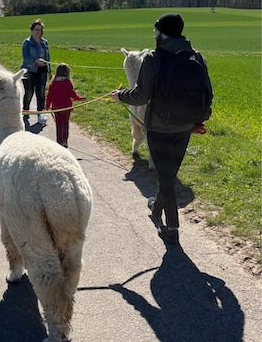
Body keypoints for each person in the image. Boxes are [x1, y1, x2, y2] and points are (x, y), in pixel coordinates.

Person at [110, 13, 213, 245]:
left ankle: (173, 229)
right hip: (185, 127)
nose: (154, 35)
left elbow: (141, 95)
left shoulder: (154, 59)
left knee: (166, 178)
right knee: (168, 174)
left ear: (163, 33)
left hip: (158, 128)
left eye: (156, 31)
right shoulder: (197, 57)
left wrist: (120, 97)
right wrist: (197, 121)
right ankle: (156, 211)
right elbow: (207, 93)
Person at [46, 63, 85, 147]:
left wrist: (47, 106)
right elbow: (73, 95)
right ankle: (64, 141)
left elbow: (49, 96)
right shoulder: (68, 83)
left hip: (57, 108)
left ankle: (59, 142)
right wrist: (81, 98)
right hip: (67, 107)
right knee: (65, 124)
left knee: (59, 125)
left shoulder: (53, 84)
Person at [21, 19, 51, 125]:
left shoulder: (45, 43)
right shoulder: (27, 42)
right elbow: (25, 57)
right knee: (29, 93)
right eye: (36, 29)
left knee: (41, 93)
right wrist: (35, 61)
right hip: (29, 71)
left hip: (42, 71)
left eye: (40, 30)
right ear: (32, 30)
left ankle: (40, 114)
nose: (38, 32)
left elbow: (48, 57)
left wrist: (49, 71)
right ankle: (25, 112)